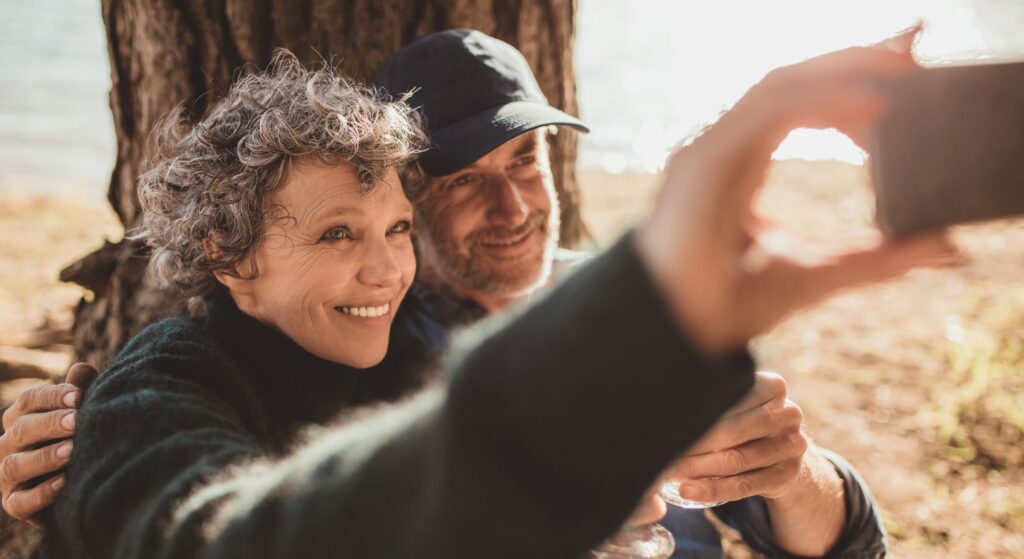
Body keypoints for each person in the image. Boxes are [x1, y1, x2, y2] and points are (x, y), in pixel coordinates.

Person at [6, 29, 948, 559]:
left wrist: (786, 469)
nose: (382, 269)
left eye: (391, 231)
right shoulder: (166, 381)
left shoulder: (396, 357)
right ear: (227, 253)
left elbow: (852, 543)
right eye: (338, 234)